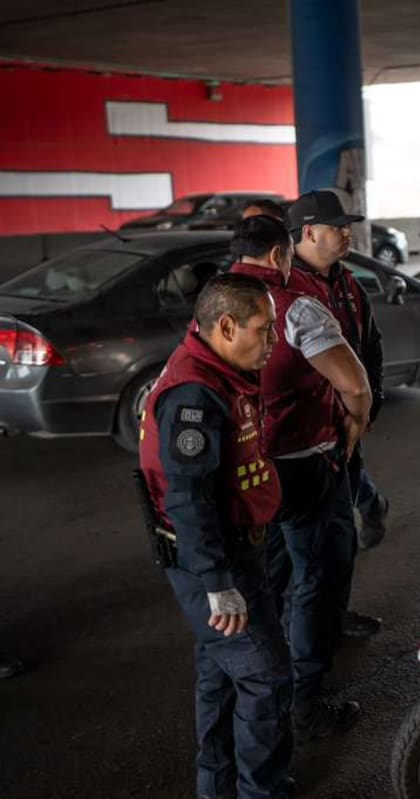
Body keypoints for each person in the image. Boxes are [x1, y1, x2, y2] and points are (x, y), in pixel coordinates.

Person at [138, 273, 292, 799]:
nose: (273, 342)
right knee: (265, 680)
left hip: (233, 550)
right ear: (225, 327)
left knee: (221, 676)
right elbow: (188, 498)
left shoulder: (215, 370)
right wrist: (219, 582)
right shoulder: (194, 396)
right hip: (216, 560)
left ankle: (219, 787)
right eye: (264, 330)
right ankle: (259, 793)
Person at [228, 216, 369, 741]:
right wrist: (357, 420)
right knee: (317, 576)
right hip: (303, 461)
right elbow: (352, 382)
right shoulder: (293, 307)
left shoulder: (215, 308)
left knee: (270, 580)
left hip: (246, 469)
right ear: (278, 255)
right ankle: (305, 698)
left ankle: (267, 686)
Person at [286, 191, 387, 640]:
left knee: (340, 537)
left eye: (348, 225)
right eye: (337, 227)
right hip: (299, 439)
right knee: (301, 545)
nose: (348, 233)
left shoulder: (348, 284)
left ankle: (333, 615)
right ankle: (302, 627)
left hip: (345, 430)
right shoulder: (286, 288)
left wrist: (367, 408)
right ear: (308, 233)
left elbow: (371, 347)